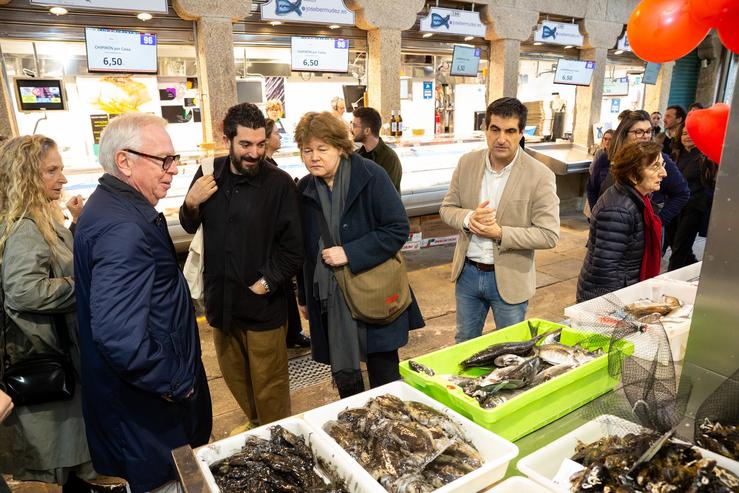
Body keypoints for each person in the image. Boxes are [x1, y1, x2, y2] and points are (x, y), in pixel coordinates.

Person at [74, 113, 212, 493]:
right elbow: (120, 336)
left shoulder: (112, 208)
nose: (173, 170)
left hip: (139, 402)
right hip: (146, 410)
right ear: (125, 161)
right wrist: (176, 383)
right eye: (163, 160)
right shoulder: (124, 228)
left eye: (174, 159)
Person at [180, 103, 303, 428]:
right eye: (246, 145)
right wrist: (191, 204)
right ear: (227, 140)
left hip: (263, 309)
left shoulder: (278, 184)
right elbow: (191, 225)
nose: (254, 153)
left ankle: (279, 441)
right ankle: (254, 425)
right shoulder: (209, 173)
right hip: (221, 305)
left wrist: (265, 284)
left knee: (270, 390)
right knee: (236, 380)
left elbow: (294, 248)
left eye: (260, 144)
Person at [295, 111, 424, 398]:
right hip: (330, 299)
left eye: (321, 149)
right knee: (347, 380)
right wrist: (303, 295)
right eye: (307, 150)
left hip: (373, 290)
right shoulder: (305, 189)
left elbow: (397, 228)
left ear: (340, 148)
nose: (314, 157)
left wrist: (350, 253)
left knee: (384, 374)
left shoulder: (370, 176)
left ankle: (392, 425)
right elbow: (304, 249)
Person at [0, 135, 95, 490]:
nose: (63, 178)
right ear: (25, 176)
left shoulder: (39, 217)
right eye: (51, 171)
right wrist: (86, 285)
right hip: (52, 362)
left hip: (61, 358)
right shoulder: (26, 227)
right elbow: (24, 290)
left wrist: (76, 224)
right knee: (75, 466)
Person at [440, 97, 560, 343]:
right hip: (468, 274)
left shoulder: (540, 175)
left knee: (511, 350)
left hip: (509, 277)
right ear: (485, 129)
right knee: (464, 343)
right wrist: (468, 218)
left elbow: (549, 235)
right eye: (495, 129)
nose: (501, 138)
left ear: (521, 133)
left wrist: (500, 233)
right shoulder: (467, 163)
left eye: (510, 131)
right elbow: (447, 208)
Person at [577, 141, 667, 302]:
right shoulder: (617, 210)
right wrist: (619, 308)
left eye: (662, 165)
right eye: (655, 167)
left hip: (627, 288)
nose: (664, 173)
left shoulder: (639, 199)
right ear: (633, 175)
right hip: (609, 298)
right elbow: (605, 268)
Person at [587, 110, 689, 230]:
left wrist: (657, 222)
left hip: (643, 233)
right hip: (607, 227)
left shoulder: (660, 160)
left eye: (648, 131)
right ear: (624, 134)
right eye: (639, 132)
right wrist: (597, 215)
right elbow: (592, 188)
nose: (646, 136)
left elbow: (682, 193)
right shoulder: (607, 158)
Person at [264, 118, 311, 349]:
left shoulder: (272, 165)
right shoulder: (265, 168)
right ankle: (290, 333)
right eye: (275, 133)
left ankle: (291, 332)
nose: (279, 136)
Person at [666, 123, 717, 270]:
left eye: (690, 134)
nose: (687, 137)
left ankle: (669, 281)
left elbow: (711, 183)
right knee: (679, 247)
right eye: (683, 134)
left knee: (679, 249)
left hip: (694, 207)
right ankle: (696, 271)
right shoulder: (676, 155)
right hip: (675, 206)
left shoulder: (705, 157)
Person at [351, 106, 402, 192]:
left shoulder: (390, 158)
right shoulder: (356, 155)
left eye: (354, 126)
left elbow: (385, 195)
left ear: (367, 131)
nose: (351, 129)